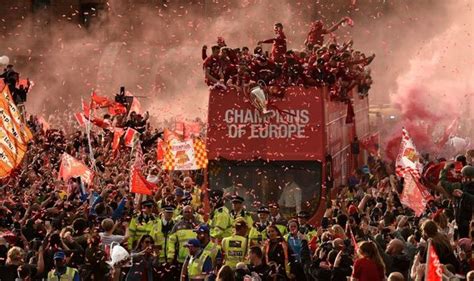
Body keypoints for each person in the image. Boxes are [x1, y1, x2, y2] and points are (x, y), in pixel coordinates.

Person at [440, 164, 474, 238]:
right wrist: (444, 170)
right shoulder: (459, 186)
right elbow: (443, 183)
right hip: (460, 225)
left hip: (470, 226)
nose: (462, 178)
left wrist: (463, 195)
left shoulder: (461, 189)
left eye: (463, 176)